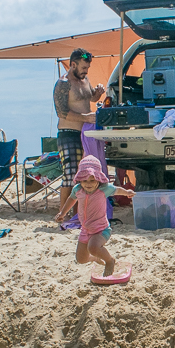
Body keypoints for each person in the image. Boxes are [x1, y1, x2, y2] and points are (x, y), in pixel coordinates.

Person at [54, 155, 134, 276]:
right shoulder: (78, 189)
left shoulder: (103, 189)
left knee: (93, 247)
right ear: (80, 179)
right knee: (81, 259)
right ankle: (95, 258)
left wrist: (127, 192)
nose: (88, 184)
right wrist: (63, 213)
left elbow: (117, 189)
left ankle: (109, 260)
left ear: (98, 179)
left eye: (92, 180)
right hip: (85, 230)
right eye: (85, 181)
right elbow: (71, 199)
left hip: (101, 229)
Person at [53, 48, 105, 212]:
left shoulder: (84, 80)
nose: (85, 71)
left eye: (87, 68)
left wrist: (97, 93)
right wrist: (85, 117)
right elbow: (61, 112)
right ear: (73, 64)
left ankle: (78, 213)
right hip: (68, 133)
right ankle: (63, 213)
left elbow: (90, 98)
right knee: (70, 175)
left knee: (84, 175)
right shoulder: (63, 84)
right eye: (83, 68)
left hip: (86, 134)